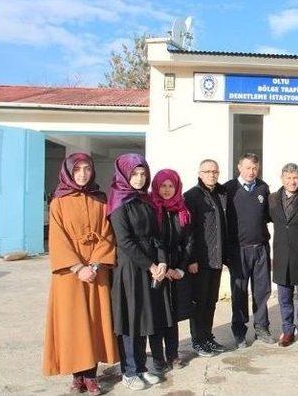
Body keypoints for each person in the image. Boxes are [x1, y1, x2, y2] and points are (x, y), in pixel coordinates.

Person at [43, 153, 119, 396]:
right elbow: (57, 239)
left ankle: (91, 375)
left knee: (95, 322)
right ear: (68, 172)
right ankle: (77, 375)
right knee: (73, 323)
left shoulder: (100, 199)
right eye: (78, 169)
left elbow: (107, 233)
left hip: (96, 270)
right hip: (69, 273)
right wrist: (78, 267)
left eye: (87, 168)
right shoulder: (58, 202)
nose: (83, 173)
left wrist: (95, 265)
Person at [108, 153, 172, 390]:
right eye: (134, 173)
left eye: (143, 173)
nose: (139, 178)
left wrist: (163, 262)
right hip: (129, 268)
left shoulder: (144, 200)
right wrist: (151, 265)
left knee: (145, 318)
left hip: (150, 267)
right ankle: (129, 370)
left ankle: (142, 367)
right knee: (130, 319)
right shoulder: (117, 202)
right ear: (124, 173)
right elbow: (124, 241)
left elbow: (156, 236)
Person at [223, 153, 275, 347]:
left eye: (254, 168)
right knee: (239, 292)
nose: (251, 172)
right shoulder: (228, 189)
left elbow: (269, 215)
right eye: (247, 168)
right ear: (239, 167)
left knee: (262, 291)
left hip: (260, 248)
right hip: (238, 250)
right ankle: (239, 331)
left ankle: (262, 327)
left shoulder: (263, 187)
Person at [148, 169, 194, 373]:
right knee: (158, 315)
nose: (166, 190)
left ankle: (173, 354)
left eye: (170, 186)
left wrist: (179, 269)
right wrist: (160, 265)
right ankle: (158, 357)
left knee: (172, 315)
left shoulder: (182, 210)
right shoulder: (150, 209)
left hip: (175, 272)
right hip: (156, 271)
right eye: (163, 186)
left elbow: (189, 242)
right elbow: (149, 241)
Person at [184, 159, 229, 356]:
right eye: (207, 171)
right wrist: (191, 259)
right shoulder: (192, 196)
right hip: (199, 260)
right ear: (200, 173)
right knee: (199, 301)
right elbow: (188, 230)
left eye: (215, 171)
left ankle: (207, 336)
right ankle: (198, 340)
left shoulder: (220, 194)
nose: (212, 175)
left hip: (216, 258)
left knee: (211, 301)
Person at [268, 163, 298, 348]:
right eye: (288, 177)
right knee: (284, 298)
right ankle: (288, 331)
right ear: (282, 179)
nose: (292, 181)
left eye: (295, 177)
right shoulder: (272, 199)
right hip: (281, 255)